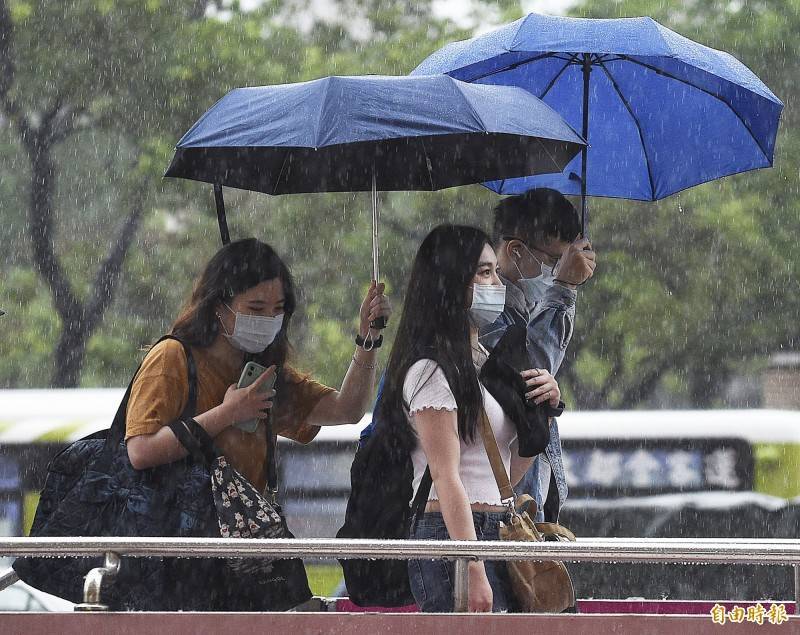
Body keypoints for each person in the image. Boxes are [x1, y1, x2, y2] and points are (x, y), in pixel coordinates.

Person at [125, 237, 391, 608]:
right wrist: (228, 413)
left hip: (245, 554)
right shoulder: (172, 358)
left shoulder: (266, 375)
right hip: (181, 556)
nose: (268, 320)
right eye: (255, 307)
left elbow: (346, 409)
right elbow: (140, 450)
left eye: (277, 309)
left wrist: (368, 338)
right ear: (218, 306)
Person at [376, 224, 561, 613]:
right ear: (451, 283)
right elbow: (446, 475)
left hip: (493, 530)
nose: (497, 283)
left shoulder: (480, 364)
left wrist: (540, 414)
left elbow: (500, 476)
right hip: (452, 535)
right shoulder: (431, 370)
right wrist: (471, 563)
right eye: (484, 272)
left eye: (495, 271)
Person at [480, 188, 596, 522]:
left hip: (524, 509)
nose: (557, 270)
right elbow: (524, 382)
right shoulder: (484, 306)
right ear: (515, 250)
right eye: (552, 261)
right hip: (497, 508)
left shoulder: (526, 306)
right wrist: (564, 288)